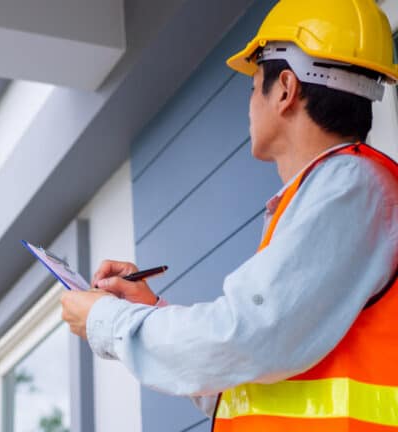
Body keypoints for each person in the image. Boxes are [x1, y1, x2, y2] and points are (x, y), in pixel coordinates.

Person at [60, 0, 398, 430]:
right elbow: (244, 371)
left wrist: (107, 322)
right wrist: (153, 310)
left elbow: (245, 338)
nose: (250, 104)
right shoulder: (338, 193)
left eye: (253, 86)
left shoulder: (351, 185)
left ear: (285, 89)